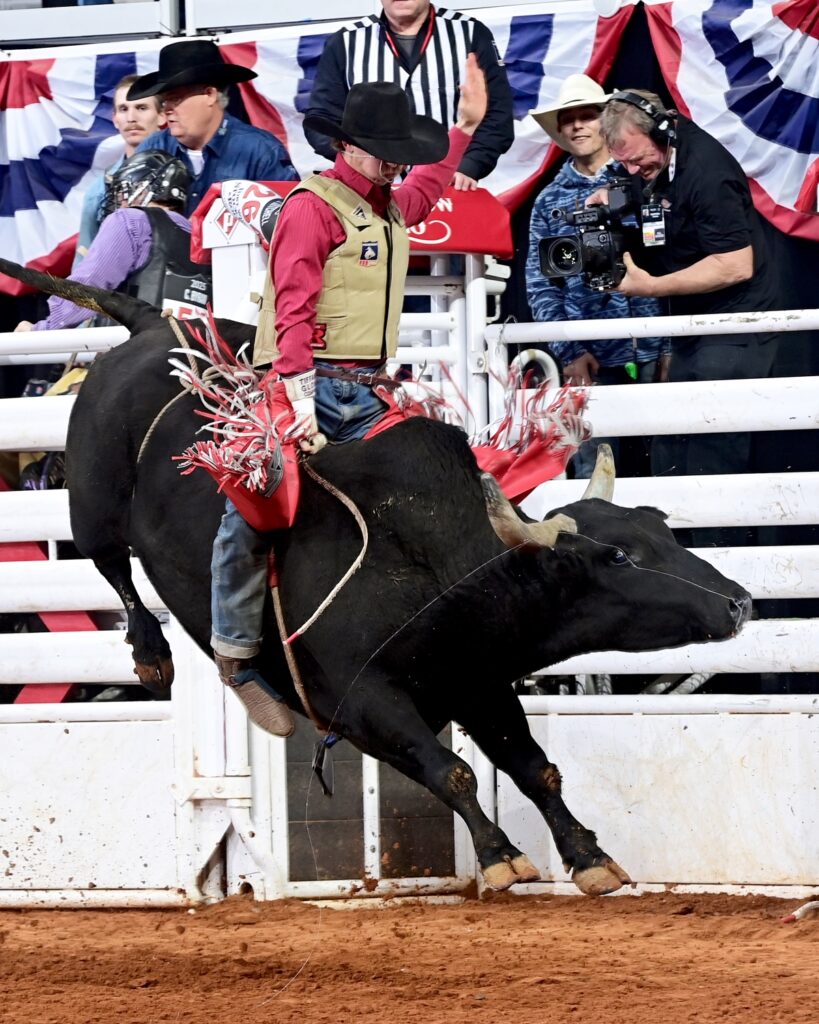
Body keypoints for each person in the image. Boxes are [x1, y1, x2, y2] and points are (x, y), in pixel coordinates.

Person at [209, 57, 489, 737]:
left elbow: (426, 185)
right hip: (303, 381)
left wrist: (464, 128)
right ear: (348, 147)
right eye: (387, 156)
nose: (397, 167)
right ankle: (236, 657)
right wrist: (296, 396)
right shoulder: (311, 208)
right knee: (252, 508)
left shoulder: (387, 203)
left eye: (400, 158)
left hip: (365, 390)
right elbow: (295, 303)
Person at [598, 90, 779, 506]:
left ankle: (722, 553)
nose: (632, 170)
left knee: (712, 447)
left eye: (636, 159)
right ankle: (679, 551)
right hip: (690, 321)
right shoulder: (648, 167)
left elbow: (736, 265)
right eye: (622, 162)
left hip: (738, 320)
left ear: (662, 130)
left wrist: (650, 287)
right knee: (672, 442)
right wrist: (611, 202)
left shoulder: (707, 171)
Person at [526, 74, 667, 478]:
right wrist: (568, 353)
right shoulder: (548, 200)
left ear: (605, 121)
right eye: (567, 119)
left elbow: (669, 262)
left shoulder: (645, 178)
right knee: (596, 475)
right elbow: (540, 284)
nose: (576, 126)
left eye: (587, 116)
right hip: (590, 359)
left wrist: (668, 344)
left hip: (652, 348)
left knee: (670, 465)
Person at [302, 0, 512, 190]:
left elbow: (498, 115)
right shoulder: (346, 41)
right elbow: (322, 118)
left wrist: (469, 166)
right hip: (367, 190)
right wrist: (360, 163)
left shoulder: (471, 33)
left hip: (451, 187)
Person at [15, 150, 210, 333]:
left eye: (121, 193)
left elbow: (89, 286)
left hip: (136, 354)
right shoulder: (202, 237)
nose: (119, 201)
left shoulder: (131, 220)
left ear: (141, 189)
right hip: (195, 357)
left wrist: (42, 329)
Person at [127, 39, 298, 214]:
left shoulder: (261, 150)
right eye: (164, 101)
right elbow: (123, 218)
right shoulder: (151, 149)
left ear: (210, 95)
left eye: (176, 99)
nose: (167, 109)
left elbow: (287, 221)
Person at [74, 73, 166, 264]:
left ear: (162, 115)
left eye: (141, 107)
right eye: (123, 109)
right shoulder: (99, 190)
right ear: (115, 119)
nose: (131, 118)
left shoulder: (185, 170)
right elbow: (85, 258)